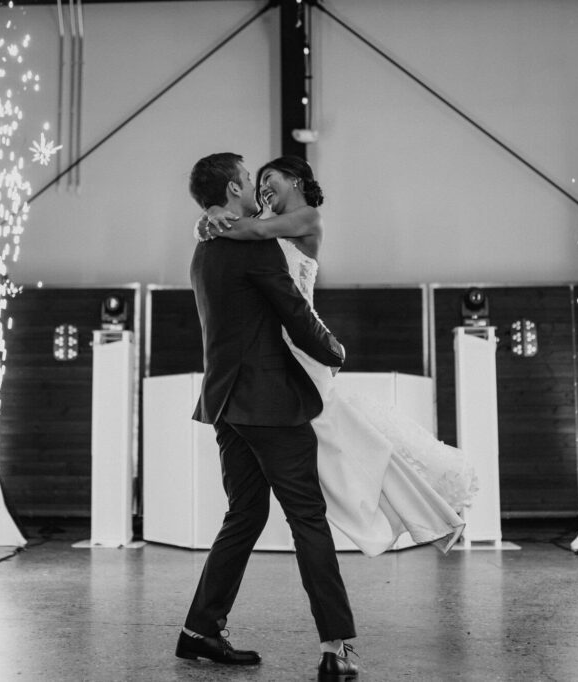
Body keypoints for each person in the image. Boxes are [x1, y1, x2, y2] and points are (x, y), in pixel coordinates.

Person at [197, 155, 477, 558]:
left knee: (341, 439)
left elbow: (254, 230)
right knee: (341, 441)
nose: (262, 190)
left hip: (302, 343)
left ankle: (411, 514)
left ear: (294, 179)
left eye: (269, 179)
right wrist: (209, 218)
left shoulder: (308, 219)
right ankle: (404, 513)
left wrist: (210, 218)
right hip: (280, 344)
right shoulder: (258, 234)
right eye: (256, 185)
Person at [178, 152, 360, 679]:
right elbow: (295, 317)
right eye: (249, 175)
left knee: (245, 514)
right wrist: (334, 351)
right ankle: (336, 645)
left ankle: (200, 631)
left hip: (226, 403)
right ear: (236, 187)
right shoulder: (252, 247)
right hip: (270, 402)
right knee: (307, 518)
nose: (255, 181)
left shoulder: (204, 249)